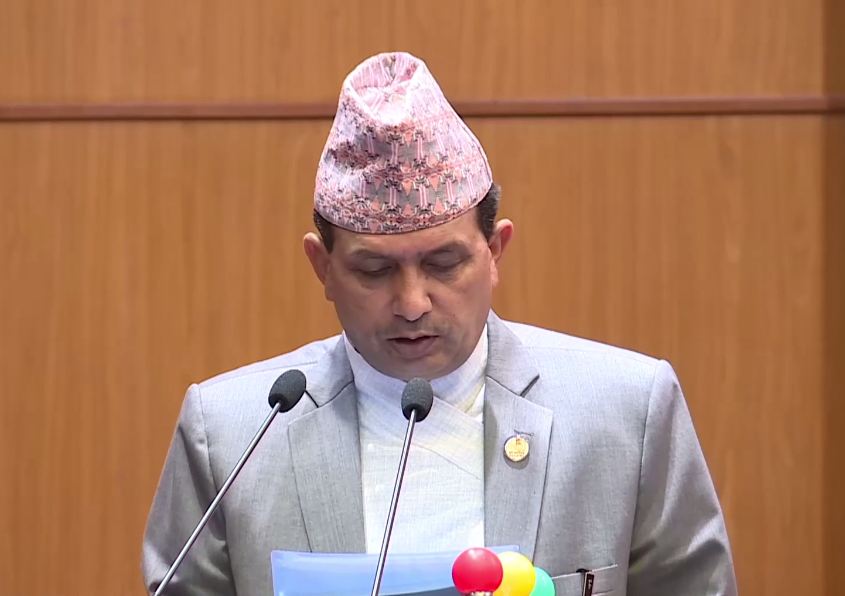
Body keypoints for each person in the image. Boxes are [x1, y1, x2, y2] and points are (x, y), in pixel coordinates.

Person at [143, 51, 737, 596]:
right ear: (322, 268)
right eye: (374, 270)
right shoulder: (233, 433)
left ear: (495, 251)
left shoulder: (625, 413)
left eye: (444, 264)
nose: (412, 303)